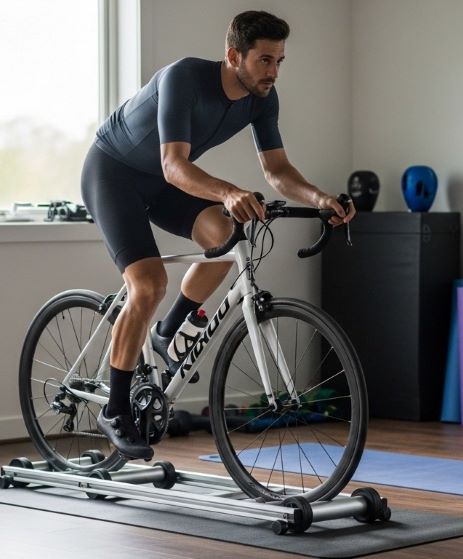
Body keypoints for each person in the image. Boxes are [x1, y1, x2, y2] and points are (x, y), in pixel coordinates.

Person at [81, 10, 355, 460]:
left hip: (164, 183)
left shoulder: (263, 98)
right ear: (233, 56)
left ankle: (169, 332)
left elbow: (277, 170)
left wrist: (321, 198)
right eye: (264, 60)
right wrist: (228, 191)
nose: (273, 72)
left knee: (225, 237)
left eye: (279, 61)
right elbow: (174, 164)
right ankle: (115, 409)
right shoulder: (184, 78)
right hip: (114, 174)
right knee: (148, 284)